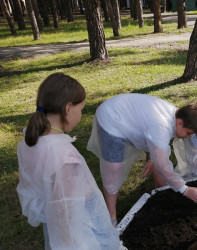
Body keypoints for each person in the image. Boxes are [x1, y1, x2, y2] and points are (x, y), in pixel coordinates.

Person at [16, 73, 120, 249]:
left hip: (54, 226)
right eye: (80, 109)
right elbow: (67, 215)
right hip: (77, 237)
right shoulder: (63, 157)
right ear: (68, 108)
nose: (80, 115)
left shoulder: (29, 141)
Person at [86, 93, 197, 226]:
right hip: (112, 118)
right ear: (180, 123)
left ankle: (160, 189)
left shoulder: (178, 116)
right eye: (188, 133)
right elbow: (162, 164)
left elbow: (158, 150)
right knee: (114, 169)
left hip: (127, 113)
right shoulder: (161, 126)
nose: (188, 137)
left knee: (156, 155)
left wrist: (155, 159)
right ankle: (111, 216)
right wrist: (184, 189)